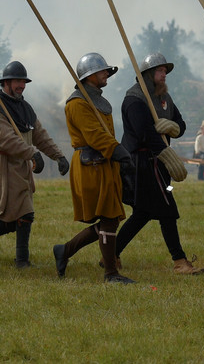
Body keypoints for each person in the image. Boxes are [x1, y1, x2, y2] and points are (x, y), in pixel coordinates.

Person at [0, 60, 68, 268]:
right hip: (4, 163)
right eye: (17, 81)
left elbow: (39, 135)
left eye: (23, 81)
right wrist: (32, 154)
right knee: (25, 213)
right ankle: (22, 260)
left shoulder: (25, 107)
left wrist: (58, 156)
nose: (21, 85)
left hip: (21, 163)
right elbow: (6, 140)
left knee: (15, 217)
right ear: (6, 82)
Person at [114, 52, 202, 275]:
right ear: (148, 74)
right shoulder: (134, 99)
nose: (164, 75)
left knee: (143, 213)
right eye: (160, 71)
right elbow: (144, 134)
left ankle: (111, 254)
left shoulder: (164, 98)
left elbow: (180, 124)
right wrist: (167, 153)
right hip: (141, 162)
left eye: (165, 71)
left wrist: (172, 127)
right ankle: (180, 261)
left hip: (157, 162)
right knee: (167, 209)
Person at [53, 52, 136, 284]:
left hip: (105, 163)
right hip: (91, 165)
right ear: (89, 76)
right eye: (102, 71)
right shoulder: (78, 103)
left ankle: (65, 250)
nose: (106, 74)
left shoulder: (97, 99)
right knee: (108, 218)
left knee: (109, 218)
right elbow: (94, 135)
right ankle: (110, 274)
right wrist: (118, 150)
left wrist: (117, 154)